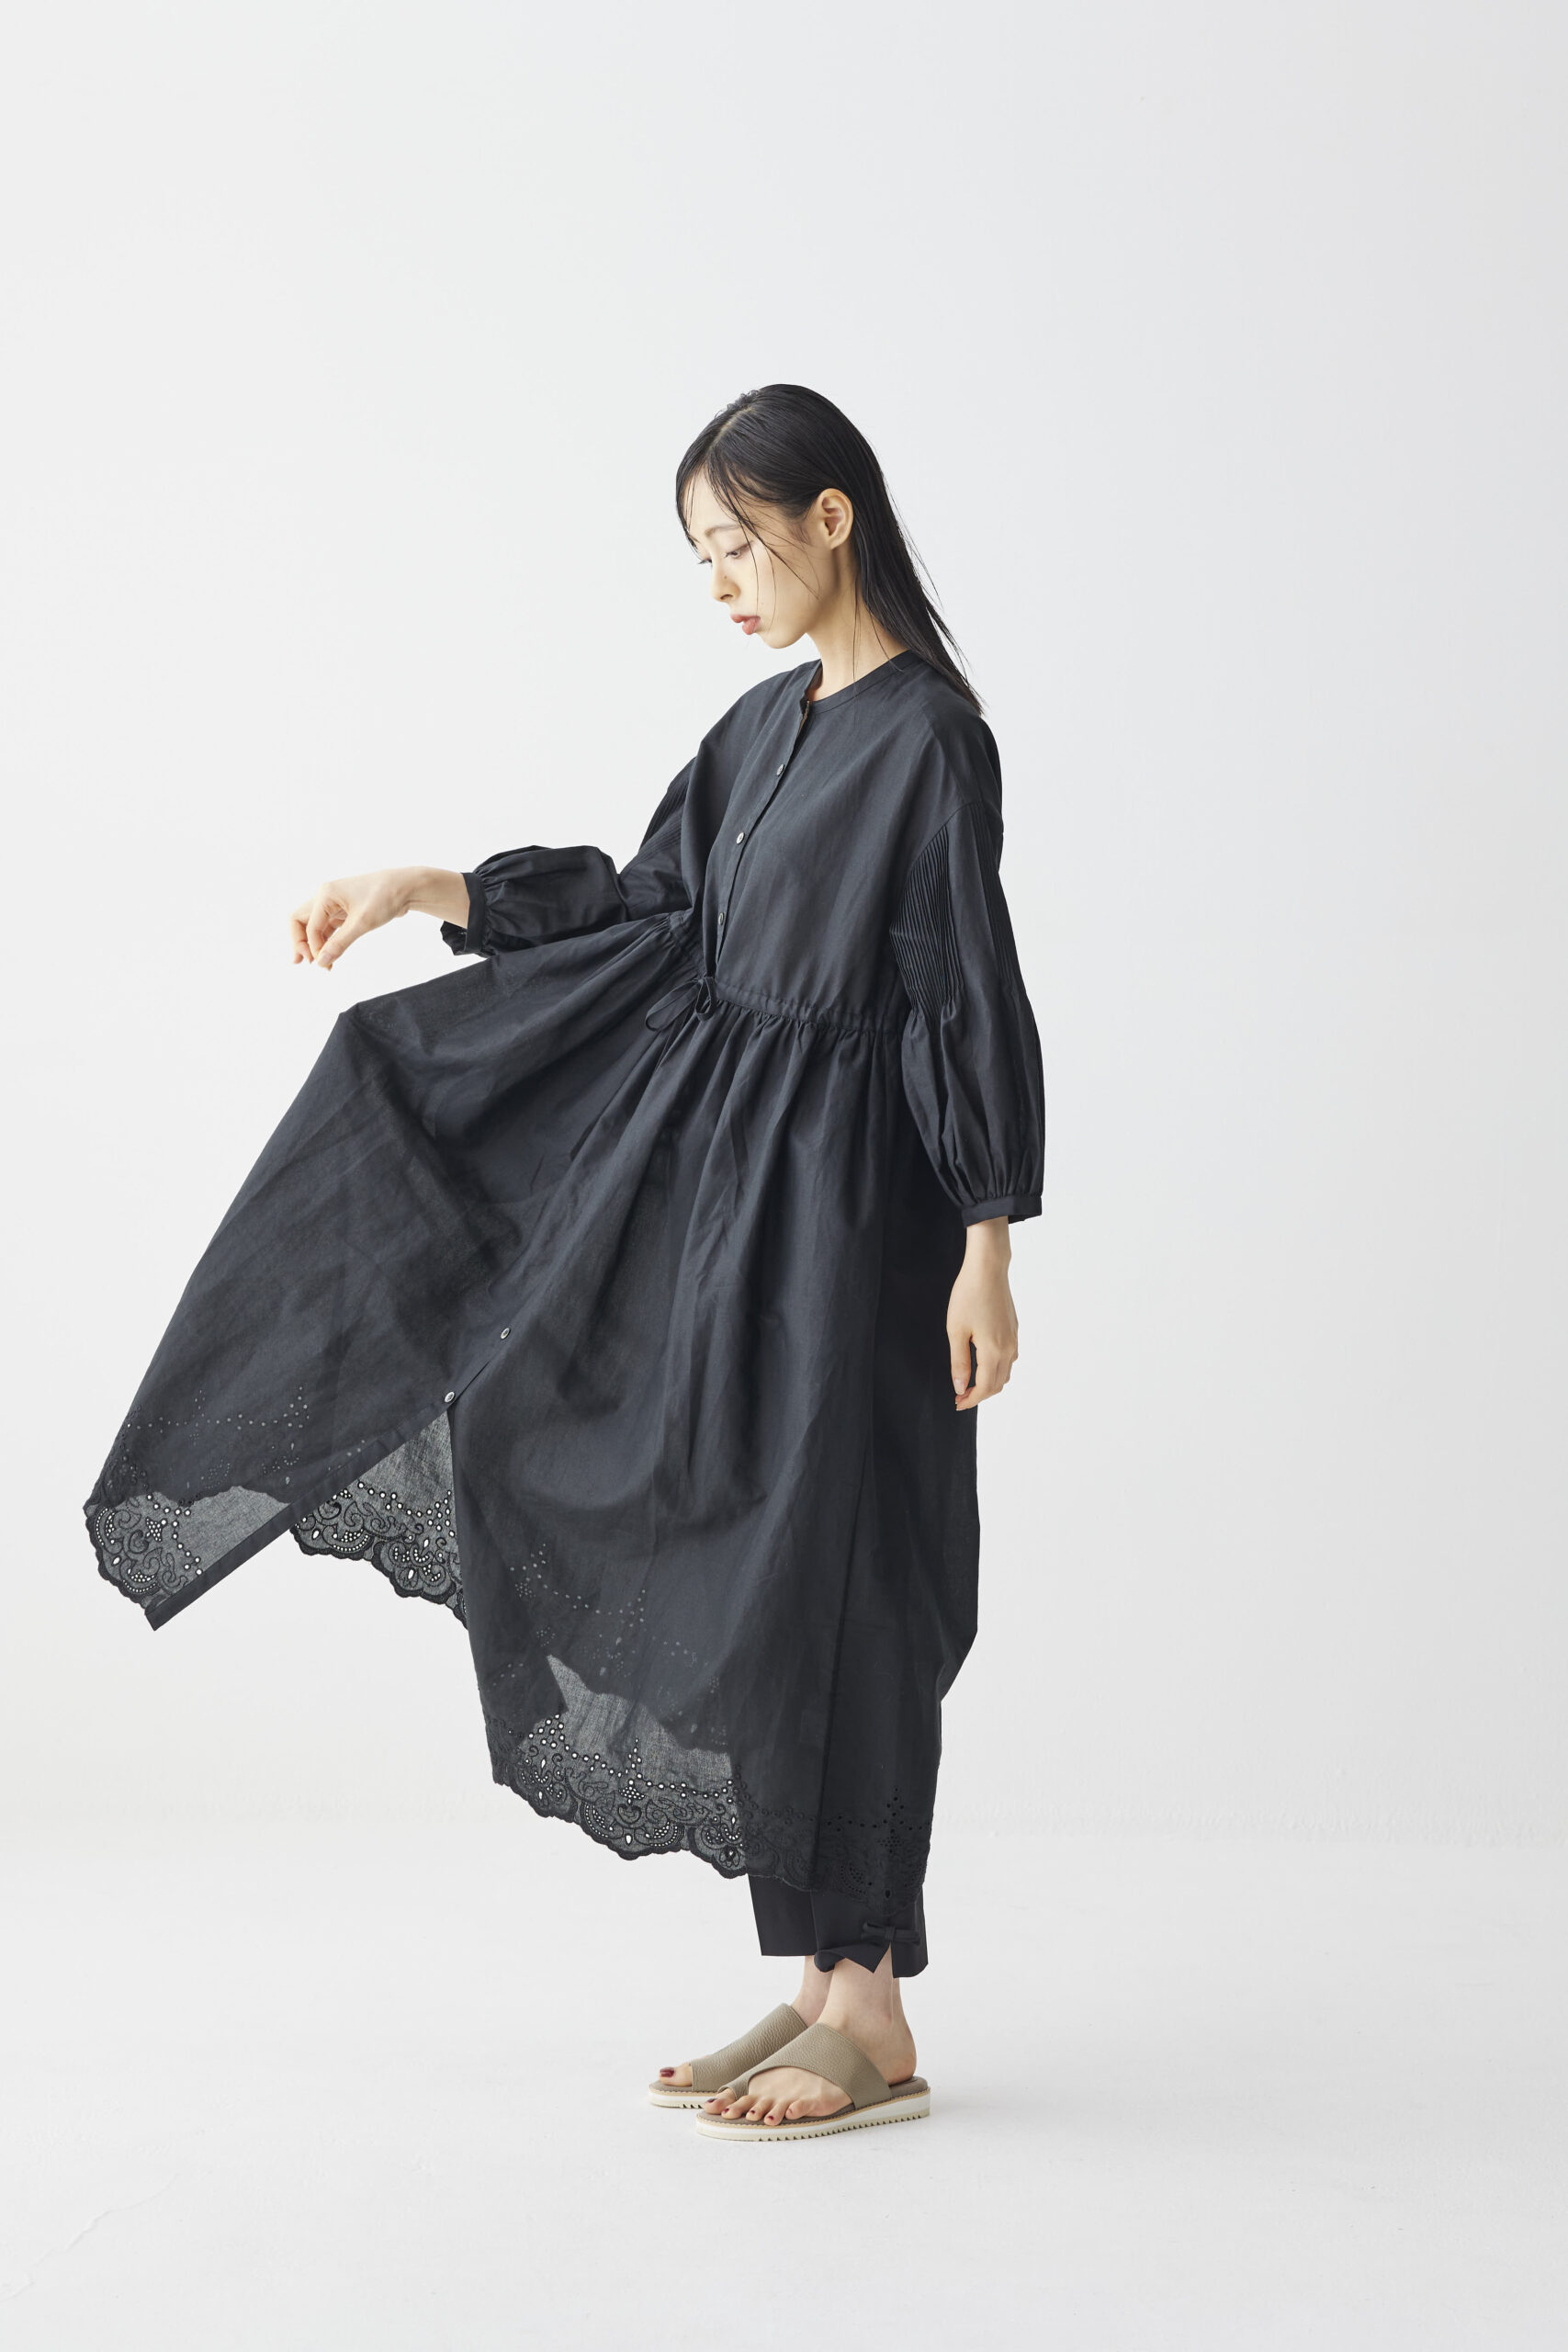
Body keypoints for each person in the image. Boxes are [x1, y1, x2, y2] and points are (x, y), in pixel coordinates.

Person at [85, 383, 1046, 2143]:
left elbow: (961, 992)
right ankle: (821, 1979)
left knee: (850, 1573)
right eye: (701, 558)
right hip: (739, 1205)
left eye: (738, 544)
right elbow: (648, 908)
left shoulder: (929, 739)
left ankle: (878, 2009)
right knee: (757, 1554)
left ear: (832, 520)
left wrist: (987, 1241)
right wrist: (430, 887)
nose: (722, 583)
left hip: (864, 1212)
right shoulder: (760, 728)